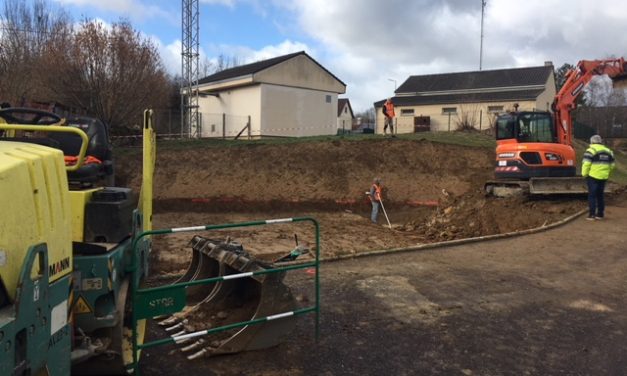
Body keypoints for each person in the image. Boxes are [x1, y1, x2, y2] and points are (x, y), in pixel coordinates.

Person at [581, 134, 615, 220]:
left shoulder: (590, 150)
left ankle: (591, 215)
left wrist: (584, 174)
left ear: (591, 141)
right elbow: (612, 165)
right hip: (603, 177)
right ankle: (600, 214)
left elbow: (586, 164)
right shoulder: (609, 151)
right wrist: (606, 172)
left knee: (592, 195)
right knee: (600, 195)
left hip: (593, 176)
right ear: (600, 141)